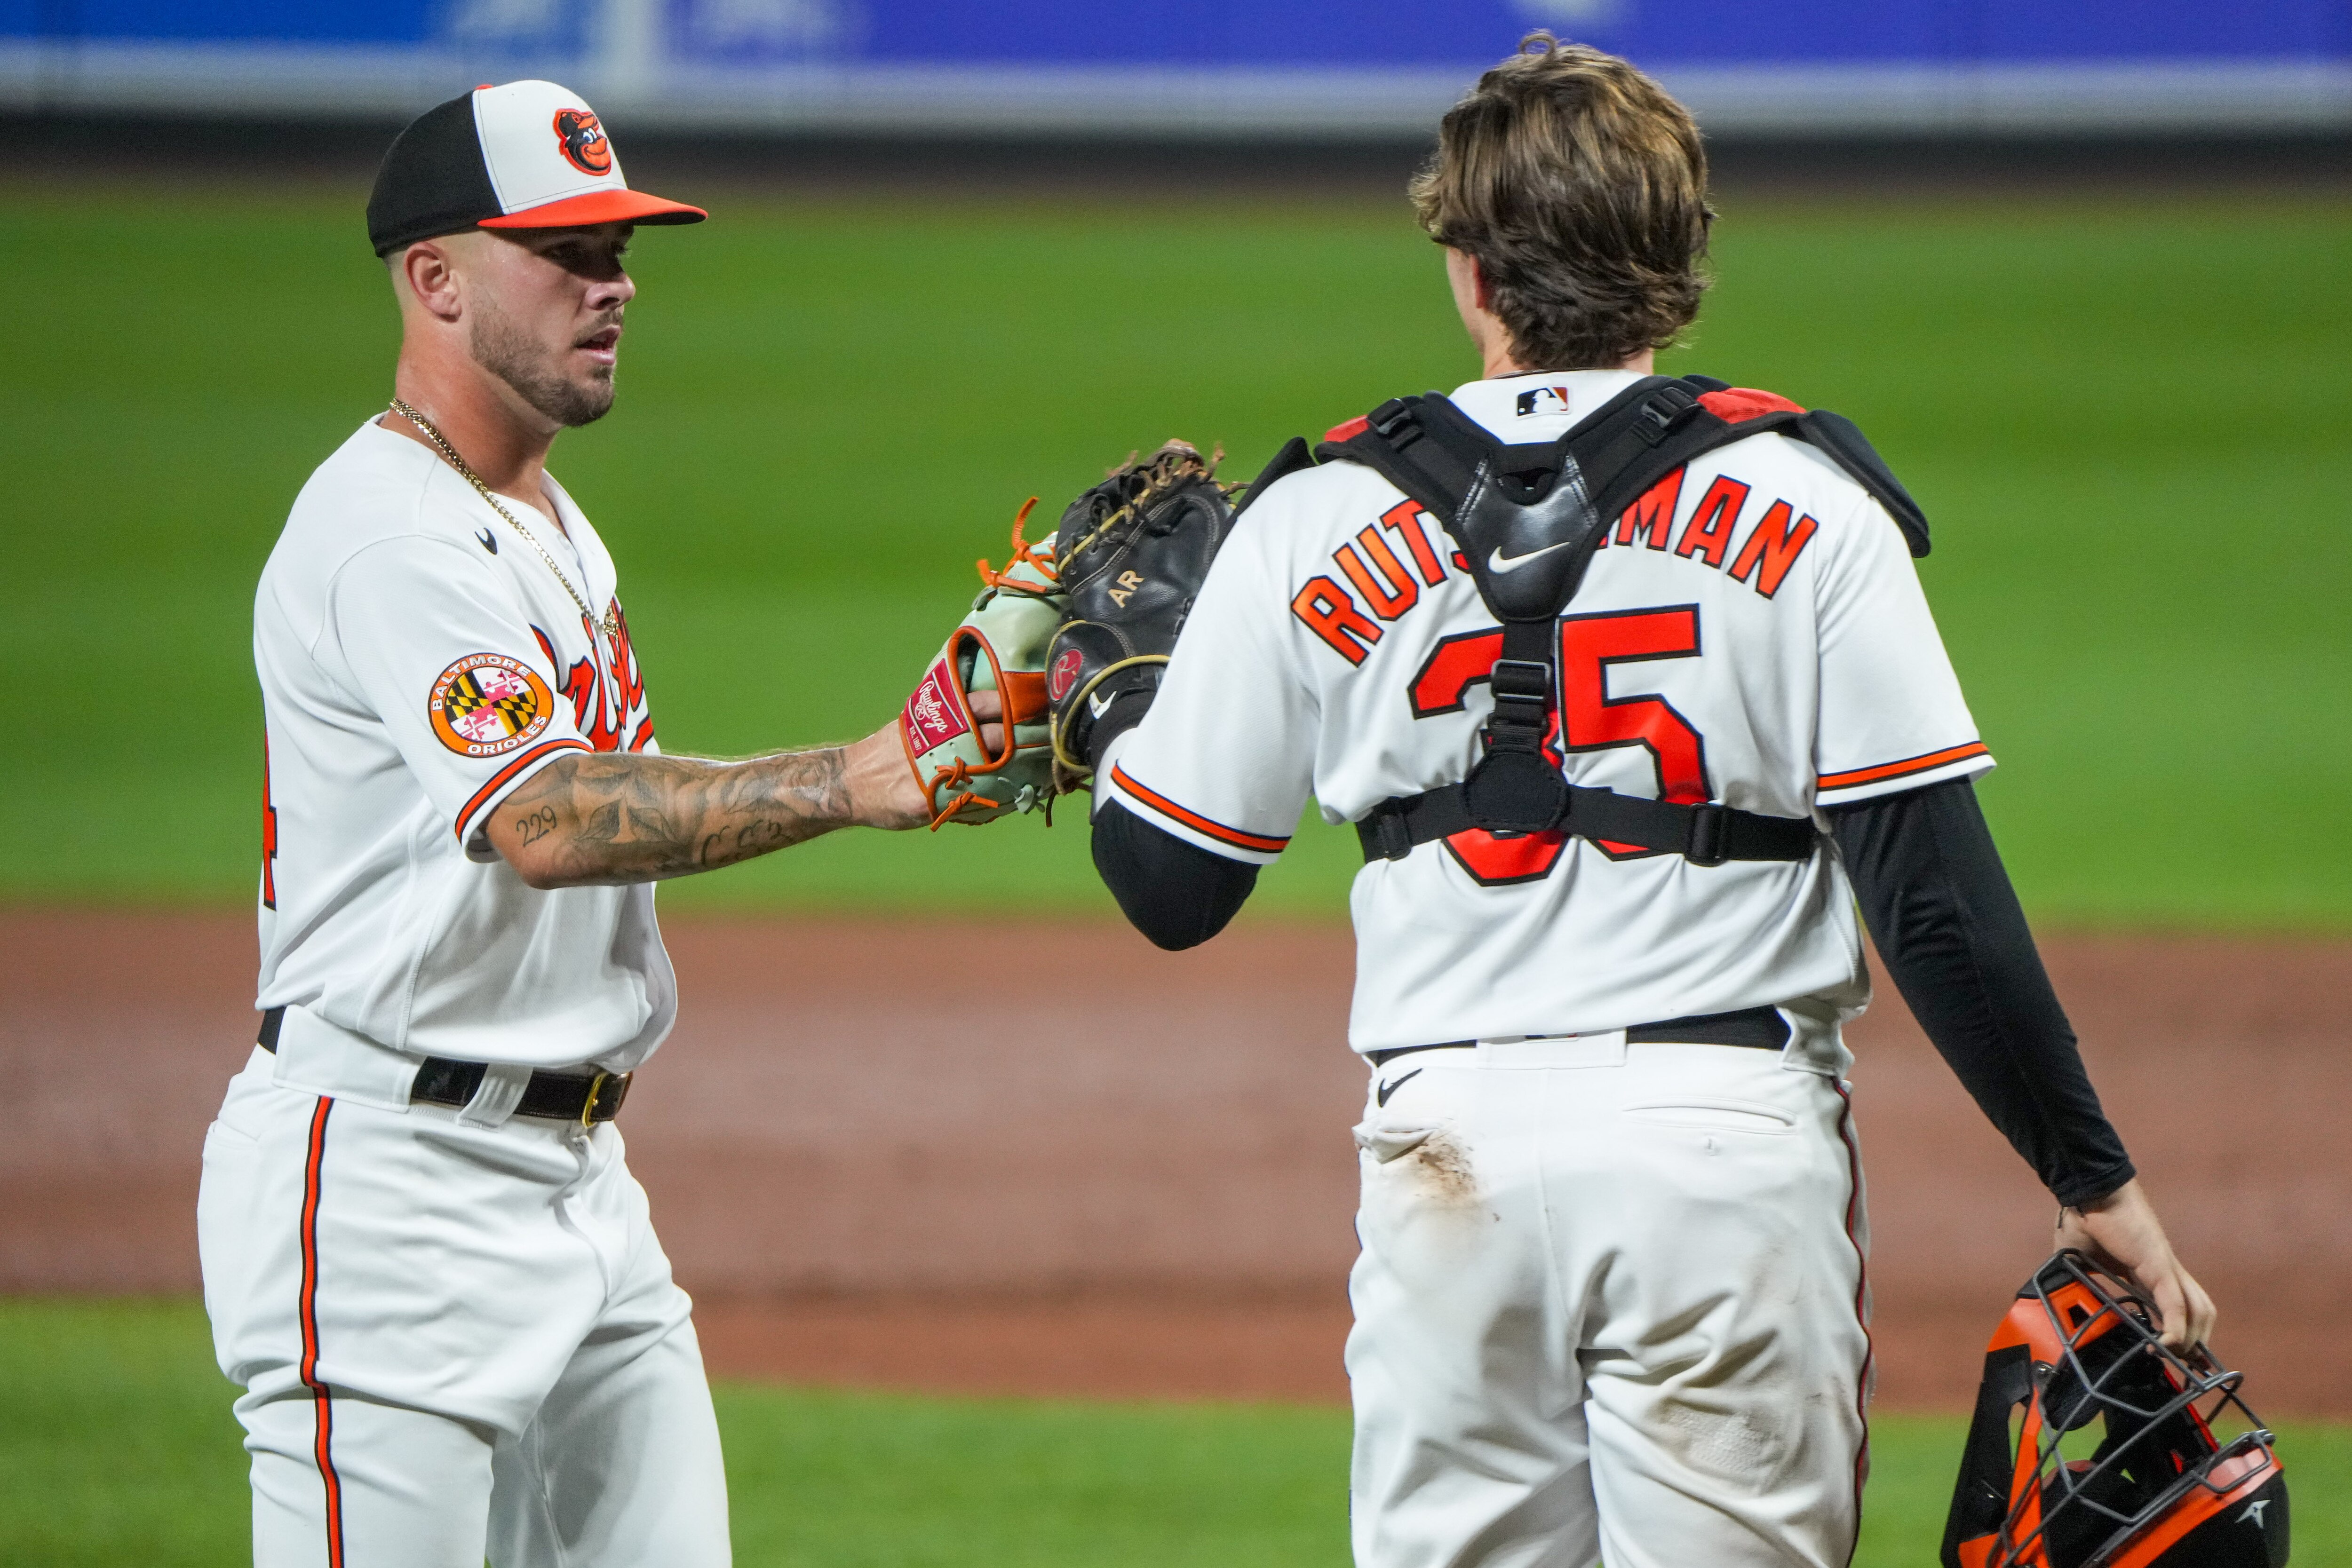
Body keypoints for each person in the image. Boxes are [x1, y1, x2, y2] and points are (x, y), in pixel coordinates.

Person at [1073, 38, 2213, 1568]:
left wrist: (1122, 701)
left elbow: (1172, 887)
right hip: (1721, 1155)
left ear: (1471, 272)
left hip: (1444, 1163)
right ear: (1681, 269)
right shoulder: (1811, 503)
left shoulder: (1311, 514)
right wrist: (2097, 1181)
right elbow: (1930, 898)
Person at [199, 80, 984, 1567]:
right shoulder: (388, 532)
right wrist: (863, 774)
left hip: (580, 1192)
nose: (613, 284)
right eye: (565, 251)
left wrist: (929, 753)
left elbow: (612, 796)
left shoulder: (547, 519)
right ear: (433, 278)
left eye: (622, 249)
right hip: (386, 1198)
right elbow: (550, 818)